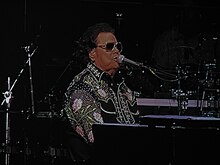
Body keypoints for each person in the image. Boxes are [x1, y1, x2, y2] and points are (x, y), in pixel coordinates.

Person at [61, 22, 140, 164]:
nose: (117, 51)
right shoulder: (82, 89)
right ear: (92, 54)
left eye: (118, 46)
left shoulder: (122, 87)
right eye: (110, 47)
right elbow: (100, 141)